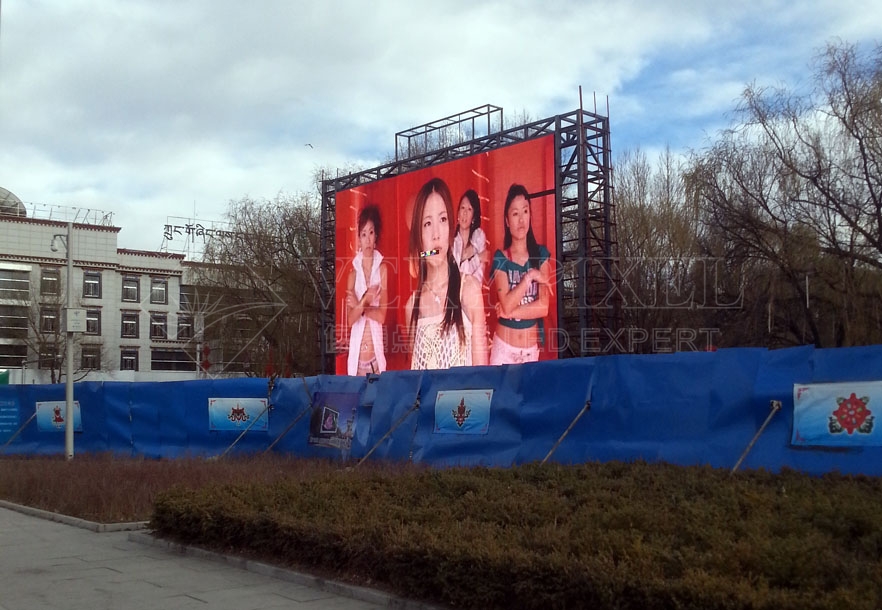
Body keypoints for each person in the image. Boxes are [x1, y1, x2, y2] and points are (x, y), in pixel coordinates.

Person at [405, 178, 488, 369]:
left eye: (443, 220)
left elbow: (483, 379)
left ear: (451, 226)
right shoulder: (411, 307)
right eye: (427, 223)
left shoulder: (469, 291)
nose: (436, 234)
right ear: (418, 235)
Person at [489, 183, 552, 365]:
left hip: (530, 352)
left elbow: (543, 307)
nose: (521, 219)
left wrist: (510, 312)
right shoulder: (501, 257)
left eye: (525, 211)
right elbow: (506, 304)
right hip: (503, 351)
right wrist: (528, 277)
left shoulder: (541, 255)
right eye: (515, 214)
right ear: (507, 221)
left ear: (531, 215)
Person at [345, 204, 388, 376]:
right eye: (363, 234)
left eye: (371, 233)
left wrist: (360, 307)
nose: (368, 239)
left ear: (376, 235)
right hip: (356, 362)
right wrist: (365, 300)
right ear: (359, 239)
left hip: (376, 360)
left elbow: (382, 316)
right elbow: (349, 320)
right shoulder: (352, 275)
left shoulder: (383, 269)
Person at [452, 189, 489, 284]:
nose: (465, 213)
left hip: (473, 294)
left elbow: (478, 277)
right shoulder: (451, 240)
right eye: (462, 208)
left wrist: (463, 262)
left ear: (473, 217)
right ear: (458, 213)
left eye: (469, 209)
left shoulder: (479, 237)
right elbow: (454, 276)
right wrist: (477, 258)